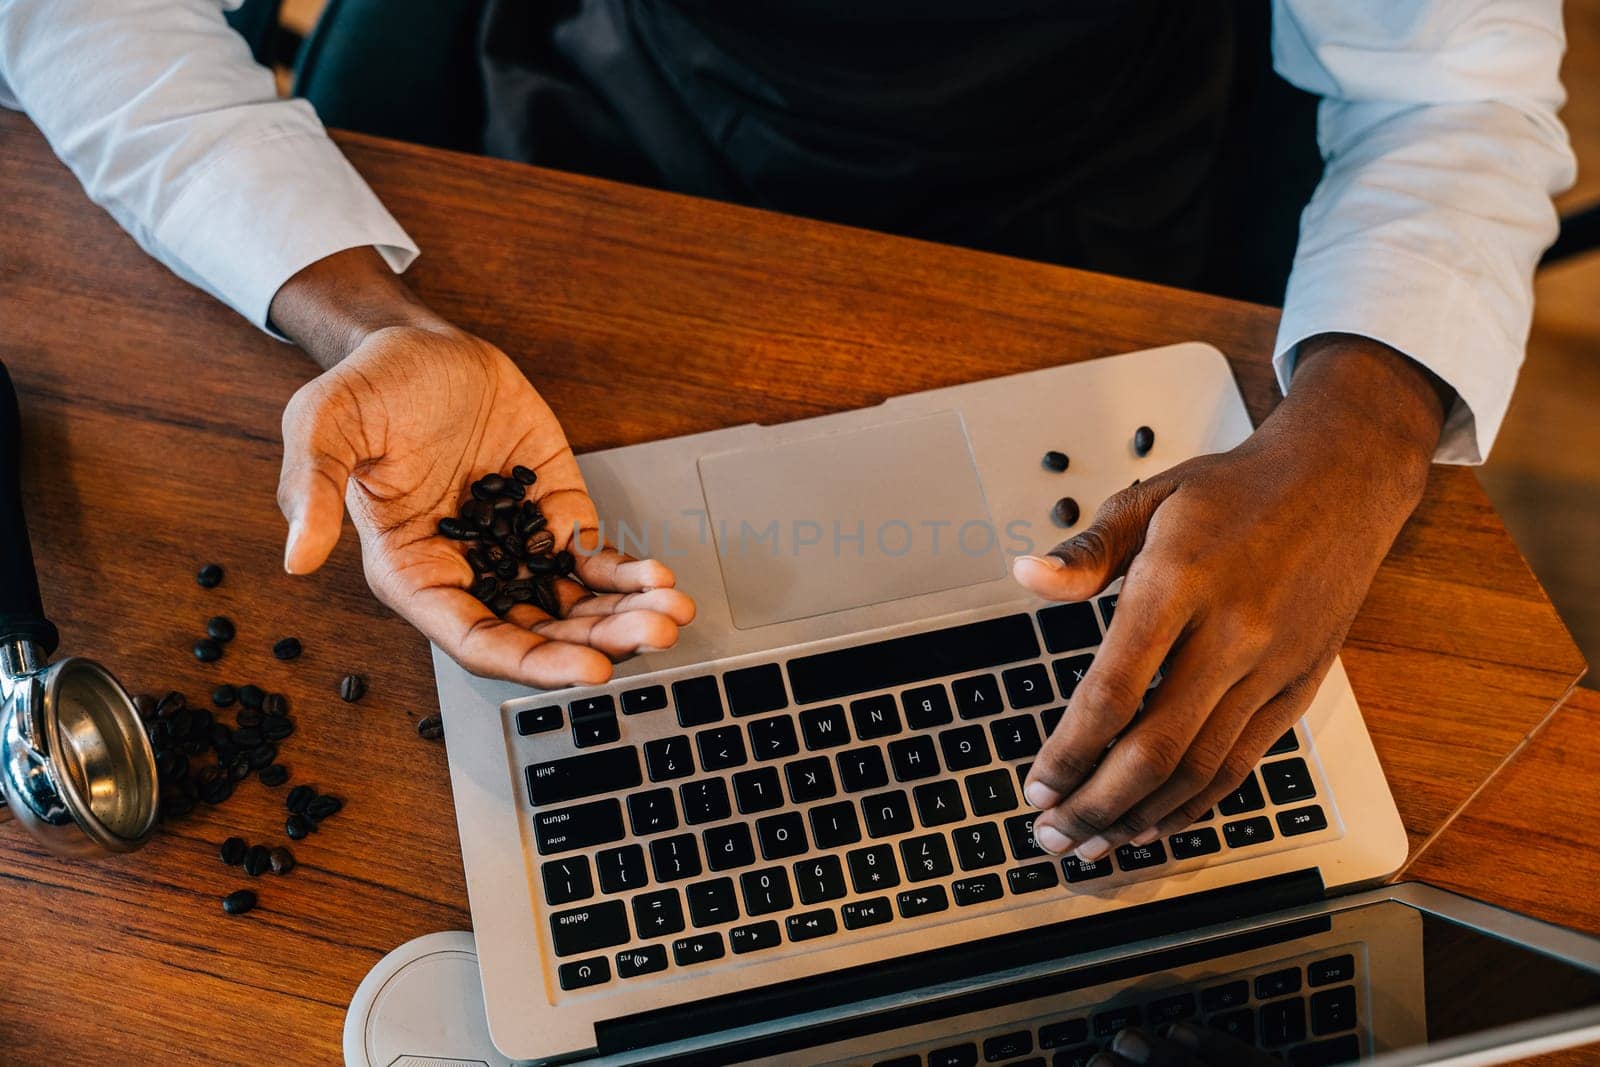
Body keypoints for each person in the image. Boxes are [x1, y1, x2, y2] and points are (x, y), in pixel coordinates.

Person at [0, 2, 1574, 870]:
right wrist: (372, 322)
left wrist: (1365, 427)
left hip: (1095, 194)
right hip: (609, 165)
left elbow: (1455, 102)